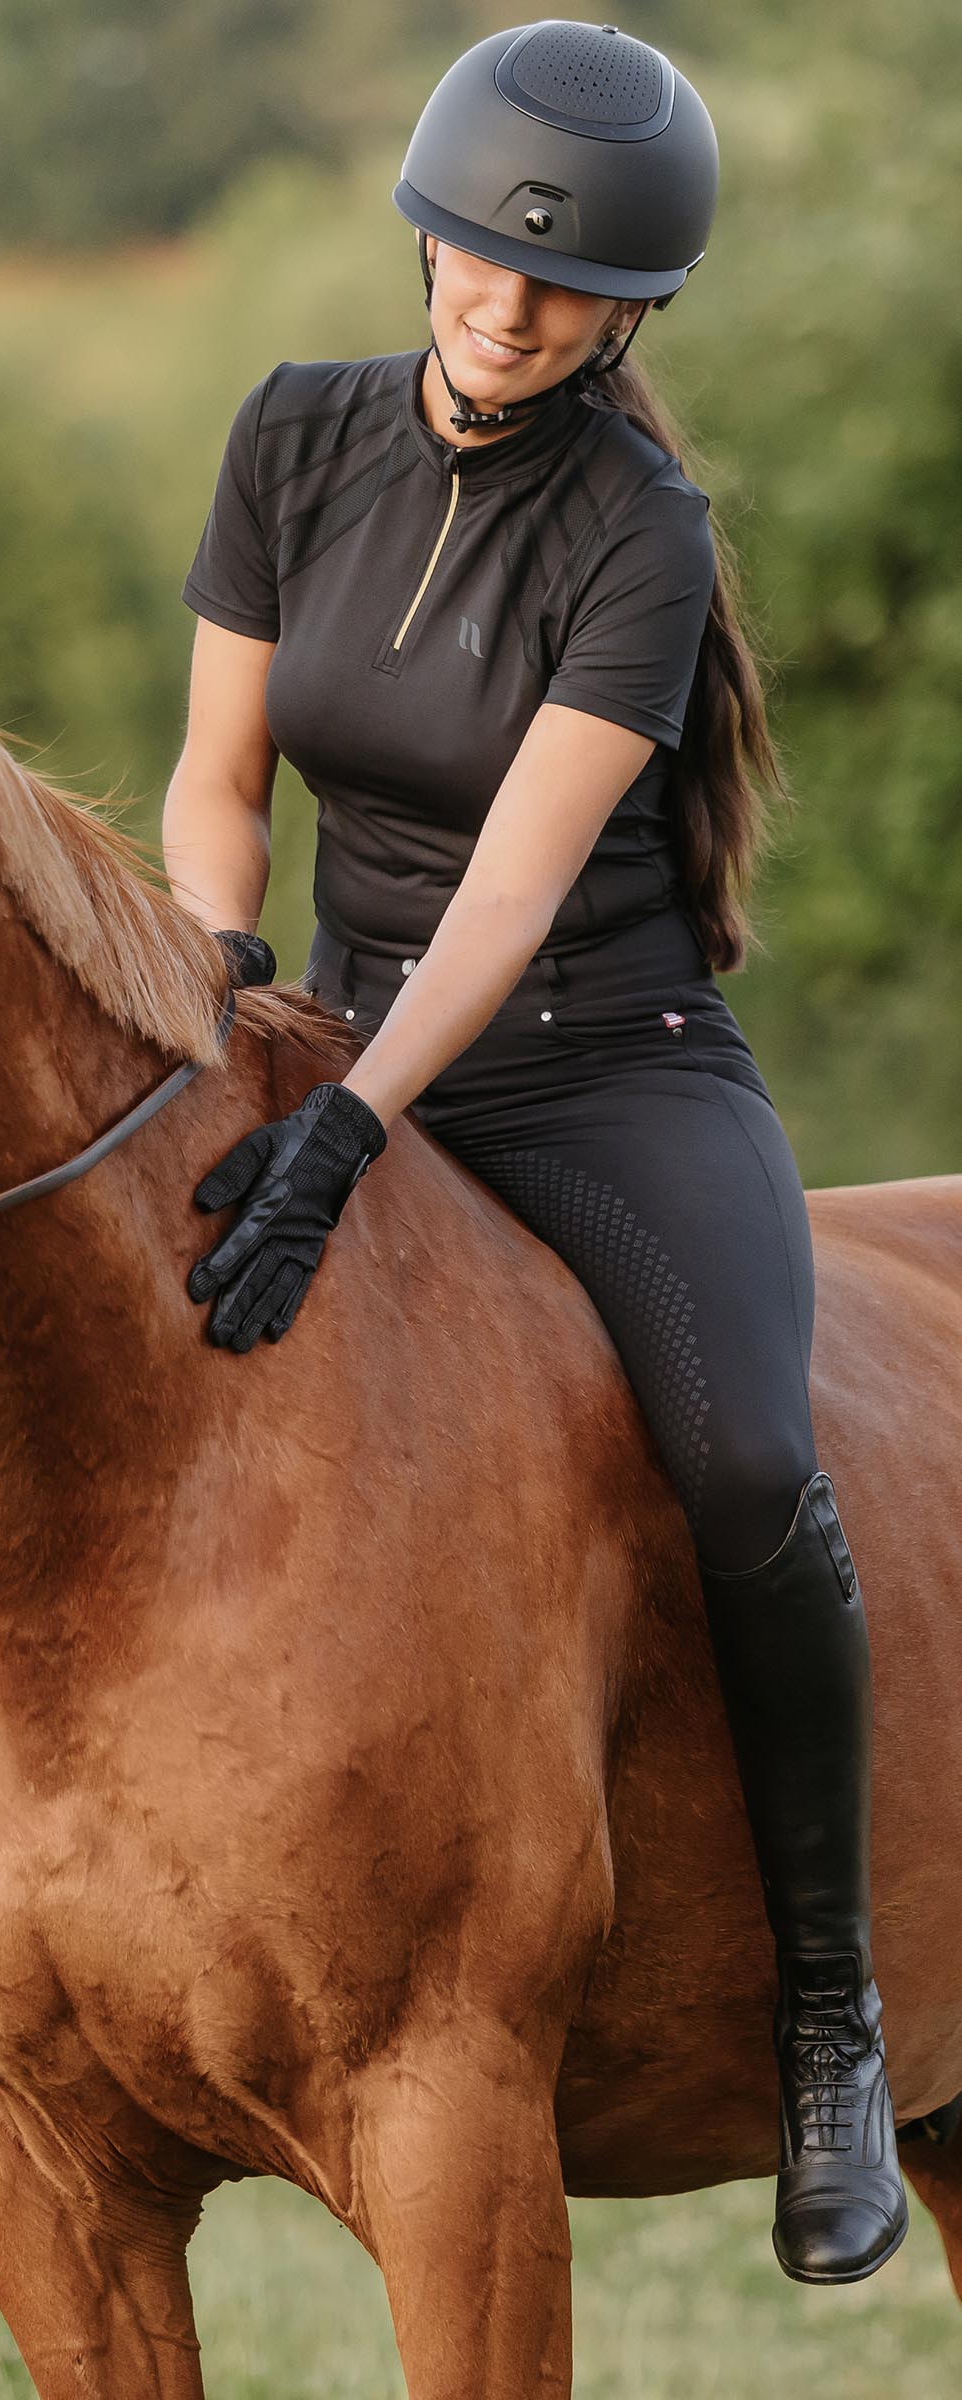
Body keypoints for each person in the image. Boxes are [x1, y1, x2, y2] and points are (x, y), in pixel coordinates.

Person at [163, 19, 907, 2286]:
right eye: (480, 256)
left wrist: (350, 1127)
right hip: (323, 1027)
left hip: (595, 1062)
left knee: (739, 1458)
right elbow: (216, 773)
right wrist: (217, 1009)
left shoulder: (638, 530)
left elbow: (508, 881)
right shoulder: (293, 430)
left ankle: (827, 2023)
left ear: (630, 315)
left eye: (564, 288)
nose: (505, 306)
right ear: (422, 226)